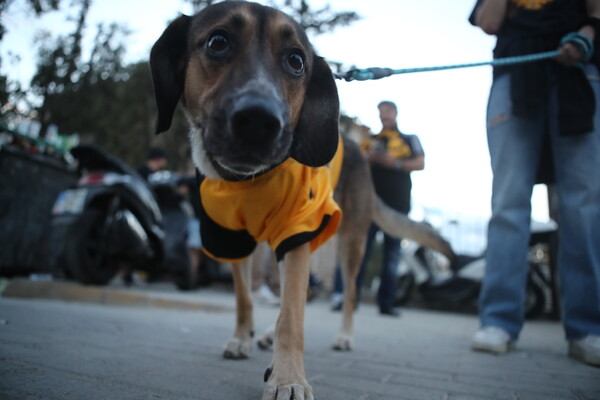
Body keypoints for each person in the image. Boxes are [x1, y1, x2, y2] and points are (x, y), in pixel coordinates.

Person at [469, 0, 600, 366]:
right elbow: (488, 20)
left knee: (584, 204)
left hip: (581, 71)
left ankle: (588, 327)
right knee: (508, 201)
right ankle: (498, 320)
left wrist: (589, 31)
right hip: (516, 71)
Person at [331, 100, 425, 317]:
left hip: (398, 205)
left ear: (395, 112)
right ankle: (348, 299)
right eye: (381, 112)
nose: (384, 116)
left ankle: (387, 303)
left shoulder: (409, 140)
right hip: (369, 205)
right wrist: (370, 157)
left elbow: (421, 163)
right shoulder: (371, 140)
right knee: (360, 251)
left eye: (387, 111)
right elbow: (356, 163)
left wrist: (396, 163)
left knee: (392, 257)